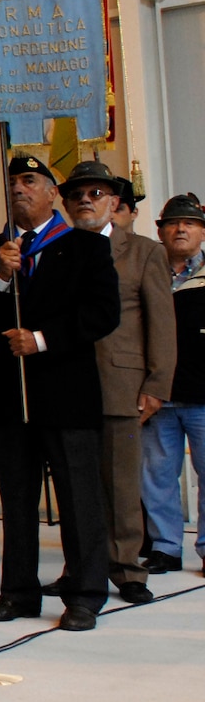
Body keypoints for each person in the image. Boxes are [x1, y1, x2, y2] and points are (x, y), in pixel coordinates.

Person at [0, 153, 120, 630]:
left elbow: (102, 313)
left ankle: (85, 593)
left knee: (77, 498)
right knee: (16, 498)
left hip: (65, 392)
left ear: (53, 193)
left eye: (30, 180)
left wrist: (42, 339)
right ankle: (18, 592)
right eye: (13, 181)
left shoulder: (85, 247)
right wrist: (0, 277)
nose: (19, 188)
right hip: (8, 395)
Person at [66, 161, 172, 607]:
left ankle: (127, 568)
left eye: (96, 194)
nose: (86, 201)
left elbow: (161, 322)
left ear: (114, 202)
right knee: (77, 486)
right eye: (77, 195)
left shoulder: (143, 251)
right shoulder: (58, 249)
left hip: (121, 383)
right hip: (69, 386)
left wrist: (157, 383)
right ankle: (81, 568)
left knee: (122, 484)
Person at [141, 193, 205, 574]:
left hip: (203, 396)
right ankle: (165, 548)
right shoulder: (148, 272)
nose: (181, 229)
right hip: (158, 395)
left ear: (202, 232)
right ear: (160, 231)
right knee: (156, 476)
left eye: (190, 223)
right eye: (173, 223)